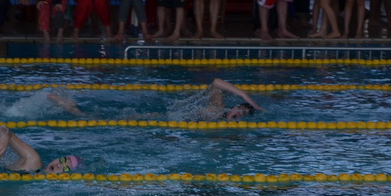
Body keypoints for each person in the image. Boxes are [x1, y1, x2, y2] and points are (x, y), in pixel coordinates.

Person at [47, 77, 262, 121]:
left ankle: (73, 108)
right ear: (234, 106)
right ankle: (72, 109)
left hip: (166, 126)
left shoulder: (222, 124)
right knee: (99, 119)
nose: (237, 115)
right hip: (160, 120)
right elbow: (215, 82)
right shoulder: (218, 108)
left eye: (241, 116)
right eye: (240, 110)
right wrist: (246, 97)